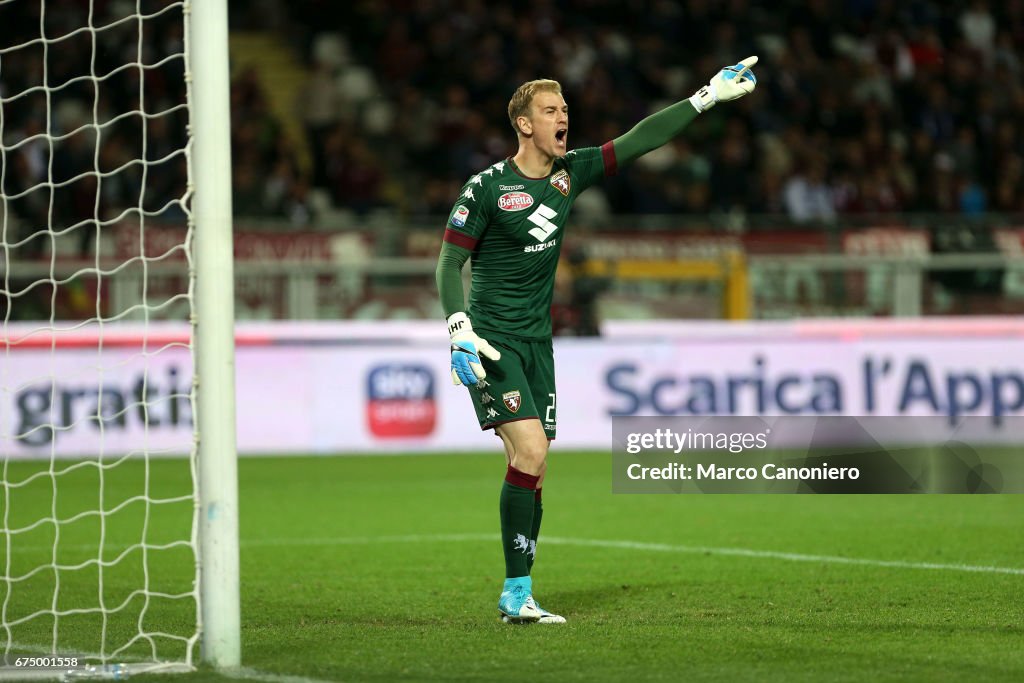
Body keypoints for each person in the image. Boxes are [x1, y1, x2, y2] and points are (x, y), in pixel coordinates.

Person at [434, 57, 760, 624]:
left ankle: (521, 590)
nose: (564, 118)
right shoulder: (486, 188)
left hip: (538, 343)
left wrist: (705, 97)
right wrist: (459, 330)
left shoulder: (570, 173)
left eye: (566, 110)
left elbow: (638, 141)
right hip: (492, 341)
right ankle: (515, 591)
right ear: (524, 124)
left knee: (531, 462)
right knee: (531, 451)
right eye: (551, 111)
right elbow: (448, 263)